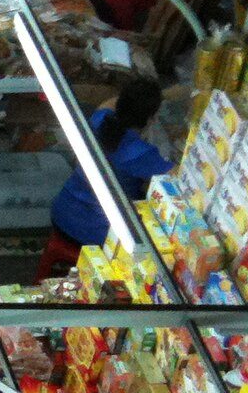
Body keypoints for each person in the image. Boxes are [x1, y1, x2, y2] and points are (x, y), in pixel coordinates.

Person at [39, 79, 172, 280]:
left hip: (62, 212)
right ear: (151, 119)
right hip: (94, 232)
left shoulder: (100, 120)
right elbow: (176, 177)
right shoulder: (141, 154)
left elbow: (111, 103)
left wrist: (145, 99)